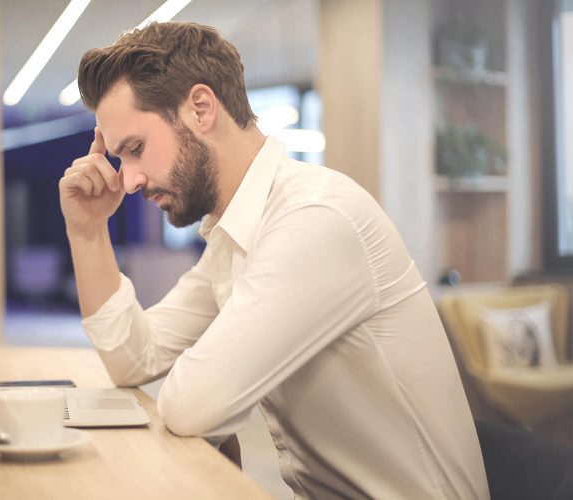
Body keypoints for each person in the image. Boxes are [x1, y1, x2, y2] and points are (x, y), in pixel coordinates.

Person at [59, 21, 489, 499]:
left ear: (201, 108)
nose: (130, 180)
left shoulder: (314, 219)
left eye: (135, 150)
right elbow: (133, 358)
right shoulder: (236, 235)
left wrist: (210, 400)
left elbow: (191, 405)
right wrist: (87, 229)